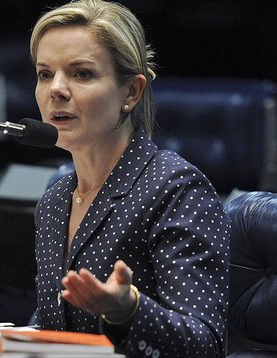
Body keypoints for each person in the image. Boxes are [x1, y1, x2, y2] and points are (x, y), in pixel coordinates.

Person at [30, 0, 230, 357]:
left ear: (130, 92)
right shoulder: (55, 200)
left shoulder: (176, 189)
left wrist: (128, 310)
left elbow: (206, 344)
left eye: (81, 74)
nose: (55, 89)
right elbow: (55, 327)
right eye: (45, 74)